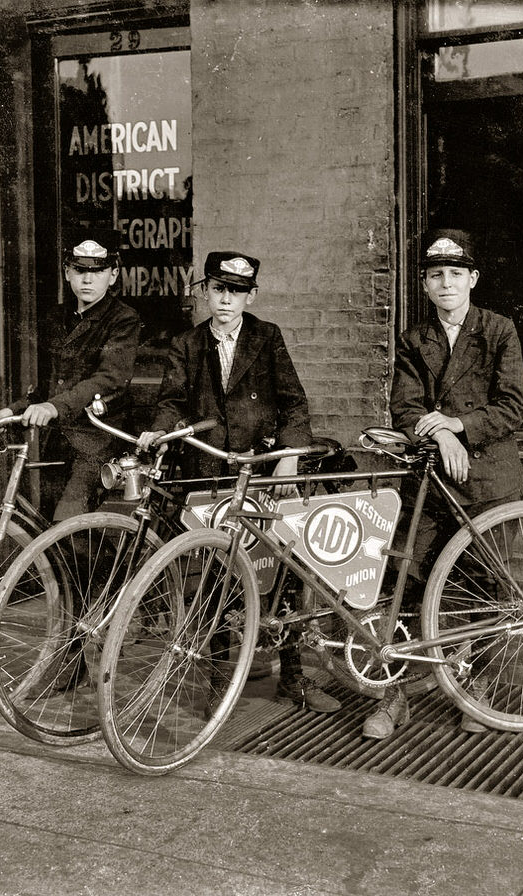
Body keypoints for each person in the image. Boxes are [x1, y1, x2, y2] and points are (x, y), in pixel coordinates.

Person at [137, 250, 341, 717]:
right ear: (205, 291)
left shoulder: (266, 338)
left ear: (250, 296)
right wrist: (159, 428)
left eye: (236, 291)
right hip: (210, 471)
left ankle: (293, 676)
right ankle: (217, 683)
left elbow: (293, 404)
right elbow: (171, 401)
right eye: (218, 289)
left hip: (264, 471)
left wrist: (288, 460)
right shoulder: (187, 344)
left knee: (285, 571)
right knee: (213, 577)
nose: (225, 300)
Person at [362, 228, 523, 739]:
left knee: (481, 589)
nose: (446, 284)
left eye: (456, 274)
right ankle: (396, 695)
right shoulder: (416, 339)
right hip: (430, 483)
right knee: (404, 581)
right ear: (426, 286)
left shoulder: (499, 331)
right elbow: (406, 408)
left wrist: (456, 427)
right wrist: (439, 434)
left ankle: (473, 690)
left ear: (472, 279)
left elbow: (513, 405)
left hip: (488, 483)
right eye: (436, 276)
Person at [0, 227, 140, 522]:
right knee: (48, 527)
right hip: (60, 441)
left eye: (98, 271)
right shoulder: (57, 317)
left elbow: (109, 378)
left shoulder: (123, 319)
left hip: (98, 443)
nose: (88, 279)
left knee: (66, 524)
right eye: (79, 270)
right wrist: (11, 411)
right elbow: (48, 386)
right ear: (67, 273)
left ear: (113, 275)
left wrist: (53, 407)